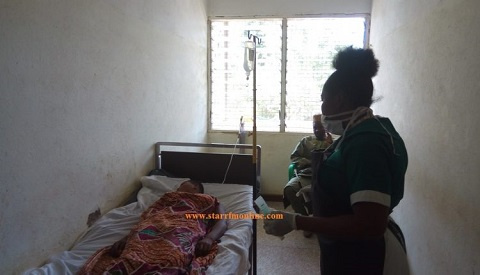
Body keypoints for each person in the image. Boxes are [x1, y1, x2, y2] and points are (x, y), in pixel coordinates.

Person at [264, 46, 409, 274]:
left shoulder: (367, 142)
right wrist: (321, 192)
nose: (322, 109)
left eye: (324, 100)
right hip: (343, 250)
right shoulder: (358, 132)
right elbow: (348, 178)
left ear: (339, 99)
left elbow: (369, 224)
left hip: (362, 258)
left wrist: (296, 222)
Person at [78, 180, 227, 275]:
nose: (178, 187)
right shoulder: (167, 197)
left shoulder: (208, 200)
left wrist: (209, 238)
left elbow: (222, 221)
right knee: (130, 255)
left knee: (173, 257)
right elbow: (149, 217)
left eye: (182, 184)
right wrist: (126, 239)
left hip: (184, 227)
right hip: (153, 227)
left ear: (194, 186)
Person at [283, 114, 332, 237]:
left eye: (320, 127)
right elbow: (294, 157)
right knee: (289, 189)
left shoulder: (333, 143)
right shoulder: (306, 141)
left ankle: (324, 221)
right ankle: (305, 221)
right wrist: (309, 162)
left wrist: (330, 146)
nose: (317, 130)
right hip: (306, 175)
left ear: (326, 128)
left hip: (325, 176)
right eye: (315, 127)